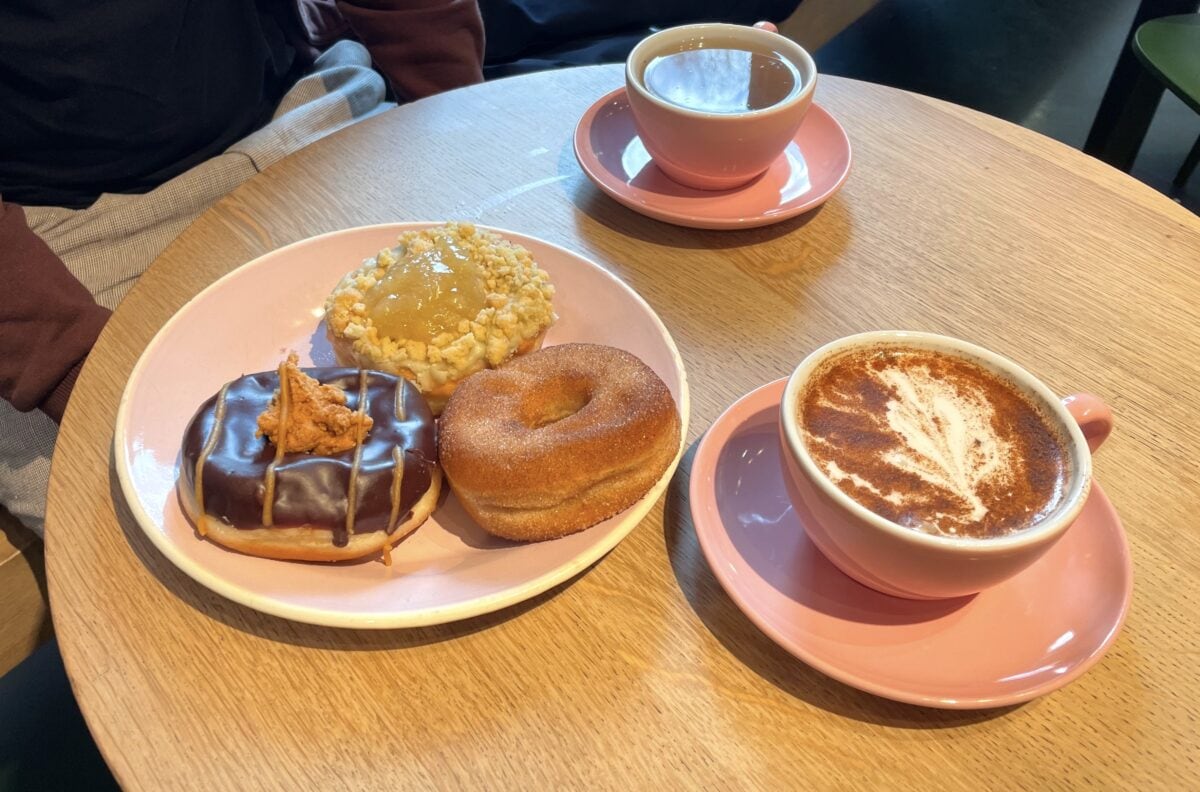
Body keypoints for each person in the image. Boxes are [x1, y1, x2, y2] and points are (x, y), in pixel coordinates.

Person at [0, 0, 486, 532]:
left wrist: (453, 116)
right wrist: (66, 361)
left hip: (300, 111)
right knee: (103, 524)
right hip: (58, 233)